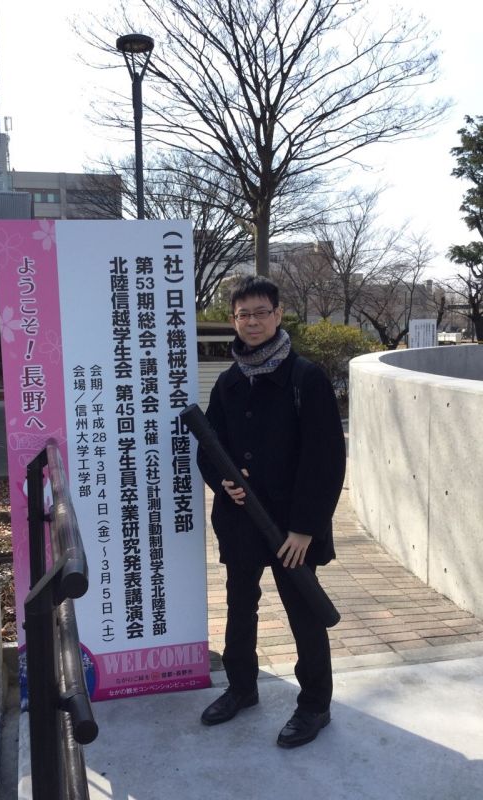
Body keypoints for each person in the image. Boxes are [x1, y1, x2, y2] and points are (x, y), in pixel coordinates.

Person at [197, 276, 346, 748]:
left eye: (261, 312)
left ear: (278, 315)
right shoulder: (229, 381)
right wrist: (221, 481)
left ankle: (315, 705)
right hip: (241, 522)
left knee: (303, 612)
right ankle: (241, 688)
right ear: (234, 321)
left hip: (289, 526)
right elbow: (209, 447)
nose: (252, 322)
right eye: (243, 314)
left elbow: (326, 459)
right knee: (240, 607)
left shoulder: (305, 378)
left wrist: (305, 528)